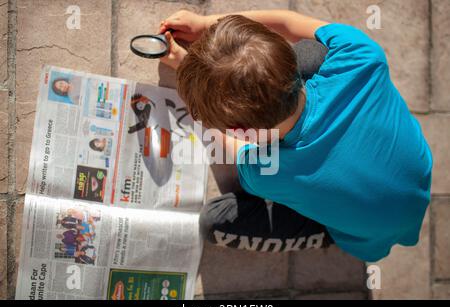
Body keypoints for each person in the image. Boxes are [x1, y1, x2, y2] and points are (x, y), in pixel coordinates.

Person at [156, 10, 432, 262]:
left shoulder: (266, 171)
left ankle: (323, 234)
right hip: (414, 181)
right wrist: (207, 24)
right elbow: (288, 22)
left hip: (367, 238)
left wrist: (184, 67)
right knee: (312, 51)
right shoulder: (360, 53)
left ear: (243, 132)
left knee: (214, 223)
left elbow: (233, 145)